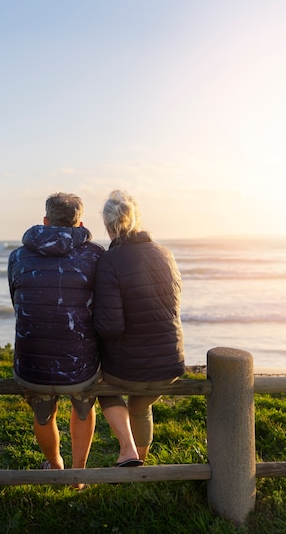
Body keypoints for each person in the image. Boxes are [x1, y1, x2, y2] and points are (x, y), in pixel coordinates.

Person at [7, 192, 104, 482]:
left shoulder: (18, 256)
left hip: (31, 364)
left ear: (46, 221)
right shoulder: (97, 255)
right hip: (81, 365)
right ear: (80, 223)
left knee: (42, 413)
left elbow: (17, 301)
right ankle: (78, 474)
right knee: (84, 405)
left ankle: (56, 464)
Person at [93, 189, 185, 466]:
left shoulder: (110, 261)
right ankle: (139, 466)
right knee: (141, 405)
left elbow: (110, 326)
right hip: (169, 364)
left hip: (127, 369)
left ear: (109, 226)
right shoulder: (165, 254)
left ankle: (128, 450)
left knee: (102, 388)